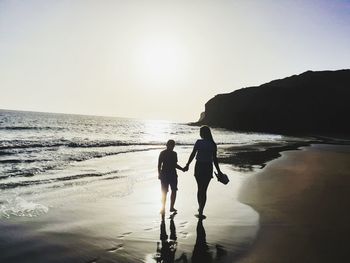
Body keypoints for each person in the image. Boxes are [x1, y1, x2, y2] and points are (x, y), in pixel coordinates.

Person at [184, 126, 223, 218]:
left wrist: (187, 164)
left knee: (199, 189)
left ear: (202, 133)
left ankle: (200, 207)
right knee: (204, 190)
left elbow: (193, 154)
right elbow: (215, 159)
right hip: (208, 167)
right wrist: (219, 171)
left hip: (199, 166)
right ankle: (201, 209)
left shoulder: (199, 142)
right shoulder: (213, 144)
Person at [158, 139, 184, 216]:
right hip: (170, 174)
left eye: (173, 146)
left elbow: (160, 165)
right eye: (171, 145)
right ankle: (166, 207)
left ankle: (169, 207)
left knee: (169, 191)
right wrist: (182, 169)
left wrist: (159, 174)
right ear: (167, 145)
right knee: (169, 191)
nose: (172, 147)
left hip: (168, 174)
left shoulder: (164, 153)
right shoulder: (172, 153)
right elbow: (160, 165)